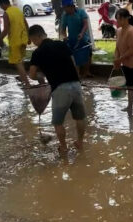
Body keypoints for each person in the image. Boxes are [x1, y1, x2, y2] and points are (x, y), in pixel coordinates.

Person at [28, 25, 86, 153]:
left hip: (60, 89)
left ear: (37, 37)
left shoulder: (37, 53)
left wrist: (42, 75)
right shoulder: (61, 45)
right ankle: (80, 143)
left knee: (58, 122)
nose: (34, 44)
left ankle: (64, 147)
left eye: (33, 40)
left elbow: (32, 75)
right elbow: (73, 63)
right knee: (79, 118)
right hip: (75, 85)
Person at [0, 0, 30, 86]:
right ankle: (23, 78)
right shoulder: (17, 10)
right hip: (23, 39)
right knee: (21, 60)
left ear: (2, 4)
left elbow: (6, 30)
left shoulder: (6, 13)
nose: (1, 8)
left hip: (15, 41)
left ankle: (27, 84)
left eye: (0, 6)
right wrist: (29, 37)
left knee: (18, 63)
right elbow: (26, 24)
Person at [61, 0, 93, 78]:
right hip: (72, 40)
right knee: (75, 57)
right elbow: (63, 29)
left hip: (84, 38)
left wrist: (81, 33)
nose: (64, 10)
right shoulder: (65, 15)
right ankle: (77, 75)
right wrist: (65, 36)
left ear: (71, 6)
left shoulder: (81, 12)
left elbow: (85, 24)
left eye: (65, 8)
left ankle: (86, 72)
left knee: (88, 55)